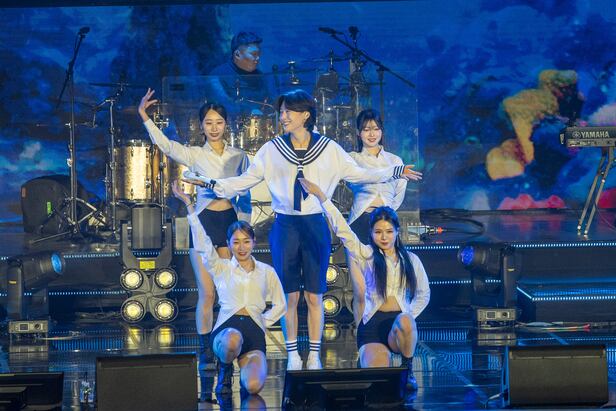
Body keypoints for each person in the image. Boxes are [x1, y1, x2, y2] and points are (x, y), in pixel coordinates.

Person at [184, 89, 422, 371]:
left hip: (315, 224)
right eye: (282, 111)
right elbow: (243, 181)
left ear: (305, 115)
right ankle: (293, 355)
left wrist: (395, 171)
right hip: (285, 225)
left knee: (314, 295)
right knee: (290, 296)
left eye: (288, 111)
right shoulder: (272, 149)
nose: (283, 117)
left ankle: (314, 355)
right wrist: (210, 183)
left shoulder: (328, 149)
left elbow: (361, 174)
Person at [138, 89, 251, 400]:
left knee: (228, 295)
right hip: (202, 224)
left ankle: (226, 360)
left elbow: (245, 194)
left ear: (226, 125)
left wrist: (244, 226)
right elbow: (165, 145)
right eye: (208, 122)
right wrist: (144, 116)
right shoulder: (195, 154)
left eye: (219, 122)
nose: (214, 127)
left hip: (229, 224)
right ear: (201, 126)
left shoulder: (239, 156)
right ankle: (206, 355)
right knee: (208, 293)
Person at [299, 177, 430, 391]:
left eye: (389, 232)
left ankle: (408, 366)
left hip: (399, 325)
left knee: (407, 321)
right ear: (371, 233)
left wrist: (408, 314)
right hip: (373, 327)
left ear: (397, 232)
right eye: (378, 232)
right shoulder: (366, 255)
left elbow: (424, 295)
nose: (384, 237)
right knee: (379, 382)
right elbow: (342, 228)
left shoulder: (411, 260)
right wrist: (322, 197)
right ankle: (370, 357)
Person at [173, 180, 286, 398]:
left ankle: (244, 367)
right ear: (229, 244)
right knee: (233, 338)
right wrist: (188, 205)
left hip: (254, 335)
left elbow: (281, 304)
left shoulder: (266, 271)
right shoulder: (221, 267)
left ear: (253, 242)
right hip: (227, 333)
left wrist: (263, 321)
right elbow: (203, 242)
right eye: (236, 242)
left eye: (246, 242)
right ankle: (224, 368)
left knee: (253, 387)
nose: (241, 247)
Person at [346, 109, 407, 325]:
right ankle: (360, 334)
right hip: (361, 222)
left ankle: (389, 332)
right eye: (366, 129)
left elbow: (399, 192)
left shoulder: (395, 160)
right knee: (361, 290)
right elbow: (355, 179)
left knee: (388, 287)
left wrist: (387, 215)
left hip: (386, 225)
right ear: (358, 133)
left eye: (375, 129)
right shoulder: (352, 159)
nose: (371, 134)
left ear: (381, 131)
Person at [207, 31, 273, 116]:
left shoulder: (259, 76)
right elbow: (222, 104)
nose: (257, 58)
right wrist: (249, 111)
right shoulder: (218, 76)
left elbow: (268, 102)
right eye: (254, 54)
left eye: (259, 54)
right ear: (237, 54)